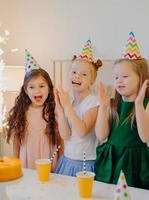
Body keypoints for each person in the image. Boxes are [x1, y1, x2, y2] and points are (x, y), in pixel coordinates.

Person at [95, 32, 149, 189]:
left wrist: (138, 105)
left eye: (125, 76)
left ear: (141, 78)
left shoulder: (148, 105)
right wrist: (103, 108)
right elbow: (101, 135)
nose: (119, 80)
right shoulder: (111, 104)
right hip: (112, 159)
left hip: (134, 163)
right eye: (116, 77)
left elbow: (145, 137)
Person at [6, 50, 61, 170]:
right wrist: (15, 161)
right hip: (27, 157)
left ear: (49, 88)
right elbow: (17, 139)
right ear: (26, 90)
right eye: (32, 87)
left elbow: (61, 140)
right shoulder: (21, 111)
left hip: (48, 157)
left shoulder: (54, 110)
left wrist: (61, 161)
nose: (37, 91)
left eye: (42, 86)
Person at [54, 39, 102, 176]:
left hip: (85, 164)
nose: (77, 76)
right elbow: (65, 135)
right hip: (67, 160)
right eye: (74, 72)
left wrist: (67, 107)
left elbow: (82, 131)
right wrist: (60, 109)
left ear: (92, 81)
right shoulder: (70, 103)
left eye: (84, 74)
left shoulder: (93, 102)